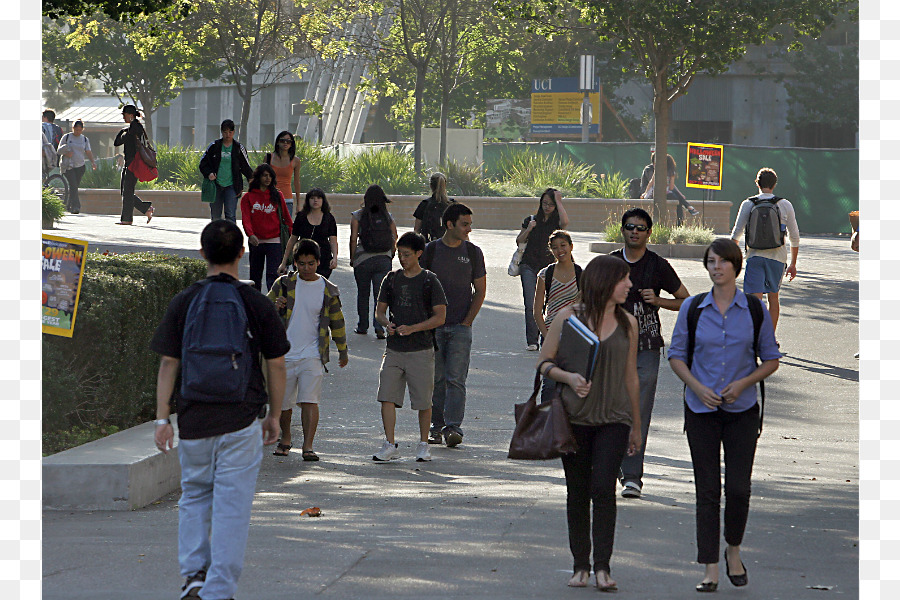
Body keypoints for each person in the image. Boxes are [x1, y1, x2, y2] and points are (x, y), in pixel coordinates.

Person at [151, 219, 289, 600]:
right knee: (232, 504)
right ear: (243, 254)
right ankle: (219, 590)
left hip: (194, 417)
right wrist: (275, 416)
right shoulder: (255, 302)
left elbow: (168, 363)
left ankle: (193, 576)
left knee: (194, 494)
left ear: (202, 254)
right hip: (241, 417)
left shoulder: (185, 300)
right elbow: (276, 364)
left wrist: (163, 418)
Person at [668, 238, 780, 593]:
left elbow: (771, 359)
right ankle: (710, 567)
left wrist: (744, 382)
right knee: (706, 490)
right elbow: (676, 356)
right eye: (711, 261)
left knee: (738, 488)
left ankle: (733, 549)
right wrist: (697, 387)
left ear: (736, 266)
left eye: (723, 262)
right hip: (700, 409)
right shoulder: (694, 308)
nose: (716, 267)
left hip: (742, 410)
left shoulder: (753, 308)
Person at [536, 254, 641, 592]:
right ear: (604, 282)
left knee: (603, 488)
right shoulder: (568, 318)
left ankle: (603, 568)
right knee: (578, 491)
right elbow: (543, 363)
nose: (629, 285)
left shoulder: (629, 322)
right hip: (575, 418)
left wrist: (636, 426)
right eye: (623, 279)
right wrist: (568, 377)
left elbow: (631, 378)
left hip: (615, 418)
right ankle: (581, 565)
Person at [609, 207, 690, 499]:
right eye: (629, 226)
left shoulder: (658, 265)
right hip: (612, 348)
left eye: (640, 228)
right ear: (623, 230)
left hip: (647, 347)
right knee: (613, 410)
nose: (634, 231)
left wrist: (658, 300)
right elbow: (589, 299)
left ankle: (632, 476)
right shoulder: (610, 263)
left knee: (638, 411)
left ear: (649, 233)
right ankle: (615, 463)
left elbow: (686, 300)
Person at [268, 238, 348, 461]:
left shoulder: (328, 290)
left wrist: (343, 350)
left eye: (310, 263)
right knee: (284, 404)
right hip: (284, 355)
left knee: (310, 401)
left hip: (313, 354)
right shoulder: (283, 284)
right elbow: (264, 312)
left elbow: (337, 322)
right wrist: (276, 306)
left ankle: (308, 446)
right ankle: (286, 438)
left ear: (318, 262)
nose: (306, 268)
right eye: (301, 263)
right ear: (295, 262)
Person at [372, 231, 447, 462]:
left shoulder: (429, 280)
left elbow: (440, 317)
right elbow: (379, 311)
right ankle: (390, 443)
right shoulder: (391, 279)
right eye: (399, 254)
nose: (401, 258)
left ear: (418, 254)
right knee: (386, 396)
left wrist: (414, 328)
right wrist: (388, 324)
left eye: (406, 254)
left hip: (421, 350)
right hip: (394, 349)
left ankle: (424, 444)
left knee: (424, 401)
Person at [420, 202, 487, 448]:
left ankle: (453, 428)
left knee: (456, 379)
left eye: (470, 224)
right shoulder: (429, 251)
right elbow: (420, 286)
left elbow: (480, 291)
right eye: (464, 224)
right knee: (435, 379)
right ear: (450, 225)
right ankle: (436, 428)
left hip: (460, 327)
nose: (469, 229)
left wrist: (467, 321)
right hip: (433, 327)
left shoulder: (473, 252)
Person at [729, 167, 800, 334]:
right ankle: (769, 338)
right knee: (773, 298)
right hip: (777, 258)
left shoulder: (748, 203)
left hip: (754, 257)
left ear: (757, 183)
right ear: (774, 184)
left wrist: (732, 261)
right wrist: (793, 264)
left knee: (755, 301)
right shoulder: (784, 204)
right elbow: (794, 236)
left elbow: (735, 235)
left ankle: (754, 337)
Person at [516, 188, 569, 351]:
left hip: (549, 267)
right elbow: (519, 240)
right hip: (529, 265)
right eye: (545, 203)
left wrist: (559, 202)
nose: (547, 207)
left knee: (548, 303)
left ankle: (545, 335)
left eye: (551, 205)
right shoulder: (531, 220)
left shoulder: (556, 223)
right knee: (530, 302)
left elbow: (565, 223)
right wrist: (529, 228)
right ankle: (532, 340)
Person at [533, 230, 582, 401]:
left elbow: (587, 307)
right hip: (550, 333)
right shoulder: (545, 274)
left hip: (575, 336)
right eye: (555, 248)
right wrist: (547, 337)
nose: (560, 250)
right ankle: (547, 420)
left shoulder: (581, 274)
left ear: (571, 247)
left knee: (572, 384)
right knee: (550, 384)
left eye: (563, 246)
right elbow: (537, 311)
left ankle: (567, 423)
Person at [349, 184, 397, 339]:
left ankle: (363, 326)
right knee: (380, 295)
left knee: (363, 294)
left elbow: (353, 238)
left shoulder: (358, 215)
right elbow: (395, 236)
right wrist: (391, 253)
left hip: (363, 260)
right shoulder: (387, 216)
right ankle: (380, 328)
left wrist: (352, 258)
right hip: (383, 259)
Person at [240, 163, 293, 292]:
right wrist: (250, 234)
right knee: (255, 276)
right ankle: (256, 304)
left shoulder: (278, 195)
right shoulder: (248, 197)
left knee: (274, 276)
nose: (267, 178)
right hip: (256, 242)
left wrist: (293, 239)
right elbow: (246, 218)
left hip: (275, 241)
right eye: (264, 175)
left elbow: (286, 218)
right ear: (258, 177)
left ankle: (273, 303)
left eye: (270, 176)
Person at [198, 119, 254, 224]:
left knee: (230, 215)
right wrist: (209, 173)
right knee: (215, 215)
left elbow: (246, 167)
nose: (227, 134)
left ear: (234, 132)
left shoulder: (238, 148)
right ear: (221, 132)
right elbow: (203, 164)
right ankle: (215, 238)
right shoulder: (214, 146)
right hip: (216, 186)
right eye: (225, 132)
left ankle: (231, 238)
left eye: (230, 132)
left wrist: (253, 182)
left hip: (232, 186)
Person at [279, 188, 338, 279]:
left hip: (323, 259)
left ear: (323, 200)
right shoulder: (301, 217)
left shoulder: (329, 218)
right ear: (308, 200)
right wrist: (284, 262)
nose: (315, 200)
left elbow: (333, 240)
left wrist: (334, 258)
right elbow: (292, 239)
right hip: (302, 257)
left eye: (318, 198)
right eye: (312, 198)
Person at [113, 105, 155, 225]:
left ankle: (127, 219)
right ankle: (145, 208)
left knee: (127, 191)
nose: (123, 117)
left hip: (134, 163)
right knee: (126, 191)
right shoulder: (130, 128)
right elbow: (117, 142)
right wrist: (124, 130)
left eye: (124, 115)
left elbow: (124, 138)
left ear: (131, 115)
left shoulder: (136, 127)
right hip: (129, 163)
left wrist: (125, 131)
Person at [641, 152, 699, 225]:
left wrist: (645, 193)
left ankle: (688, 207)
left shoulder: (657, 171)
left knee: (679, 198)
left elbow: (651, 183)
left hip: (654, 193)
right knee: (679, 201)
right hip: (665, 193)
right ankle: (682, 219)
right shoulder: (671, 173)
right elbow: (671, 187)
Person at [56, 120, 97, 214]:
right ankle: (76, 207)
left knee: (74, 186)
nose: (77, 132)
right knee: (73, 185)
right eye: (76, 129)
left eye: (79, 130)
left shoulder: (84, 139)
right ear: (72, 128)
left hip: (80, 166)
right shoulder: (66, 137)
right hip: (68, 166)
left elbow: (88, 151)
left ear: (82, 129)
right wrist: (66, 153)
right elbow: (58, 150)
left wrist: (93, 162)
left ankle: (69, 206)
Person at [265, 130, 302, 216]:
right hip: (269, 197)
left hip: (287, 199)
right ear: (278, 142)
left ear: (291, 144)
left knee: (285, 227)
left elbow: (296, 182)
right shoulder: (268, 158)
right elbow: (261, 178)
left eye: (288, 141)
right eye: (282, 140)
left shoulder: (295, 160)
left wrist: (298, 204)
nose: (285, 143)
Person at [413, 171, 454, 242]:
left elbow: (417, 230)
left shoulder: (424, 204)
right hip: (449, 245)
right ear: (445, 185)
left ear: (431, 186)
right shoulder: (452, 204)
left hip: (428, 244)